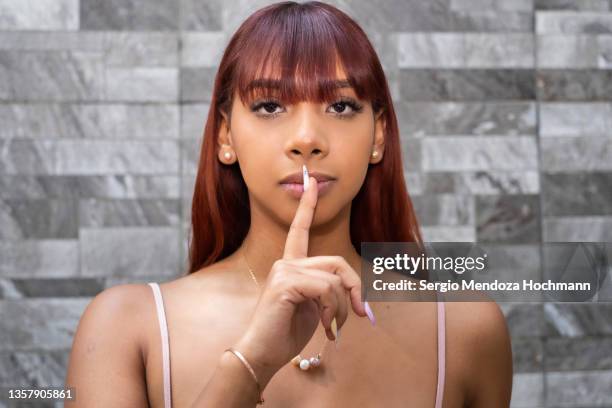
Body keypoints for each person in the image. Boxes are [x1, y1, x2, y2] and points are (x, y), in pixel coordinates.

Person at [65, 2, 513, 407]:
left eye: (339, 106)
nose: (306, 140)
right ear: (225, 136)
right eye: (269, 106)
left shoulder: (466, 331)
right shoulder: (126, 328)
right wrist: (250, 363)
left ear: (378, 136)